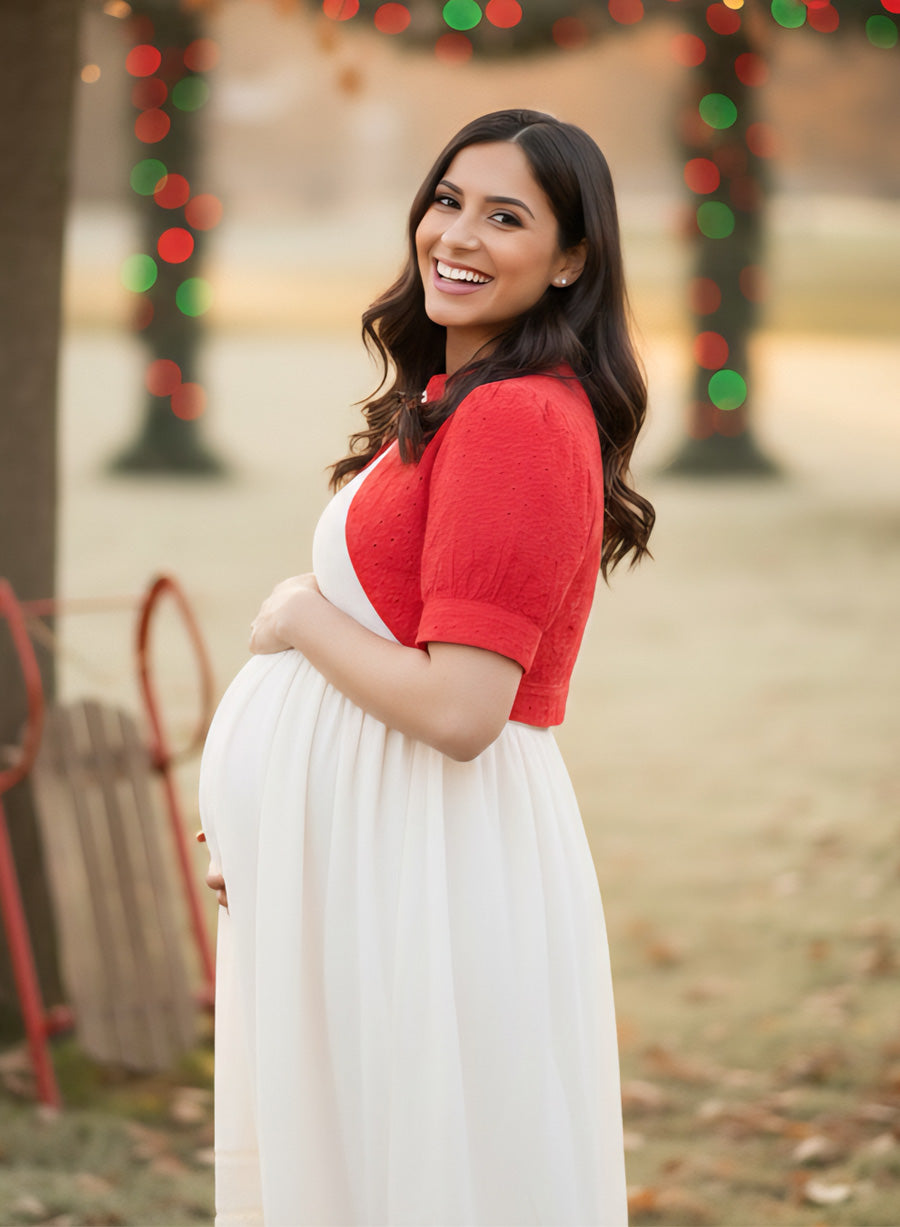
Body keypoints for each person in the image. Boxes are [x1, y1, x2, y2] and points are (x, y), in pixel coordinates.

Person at [199, 108, 654, 1227]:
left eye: (508, 217)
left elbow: (460, 708)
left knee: (416, 1174)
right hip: (374, 851)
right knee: (360, 1159)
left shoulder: (518, 424)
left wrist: (300, 618)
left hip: (426, 861)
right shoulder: (459, 402)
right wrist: (275, 820)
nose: (458, 234)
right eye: (448, 200)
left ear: (571, 260)